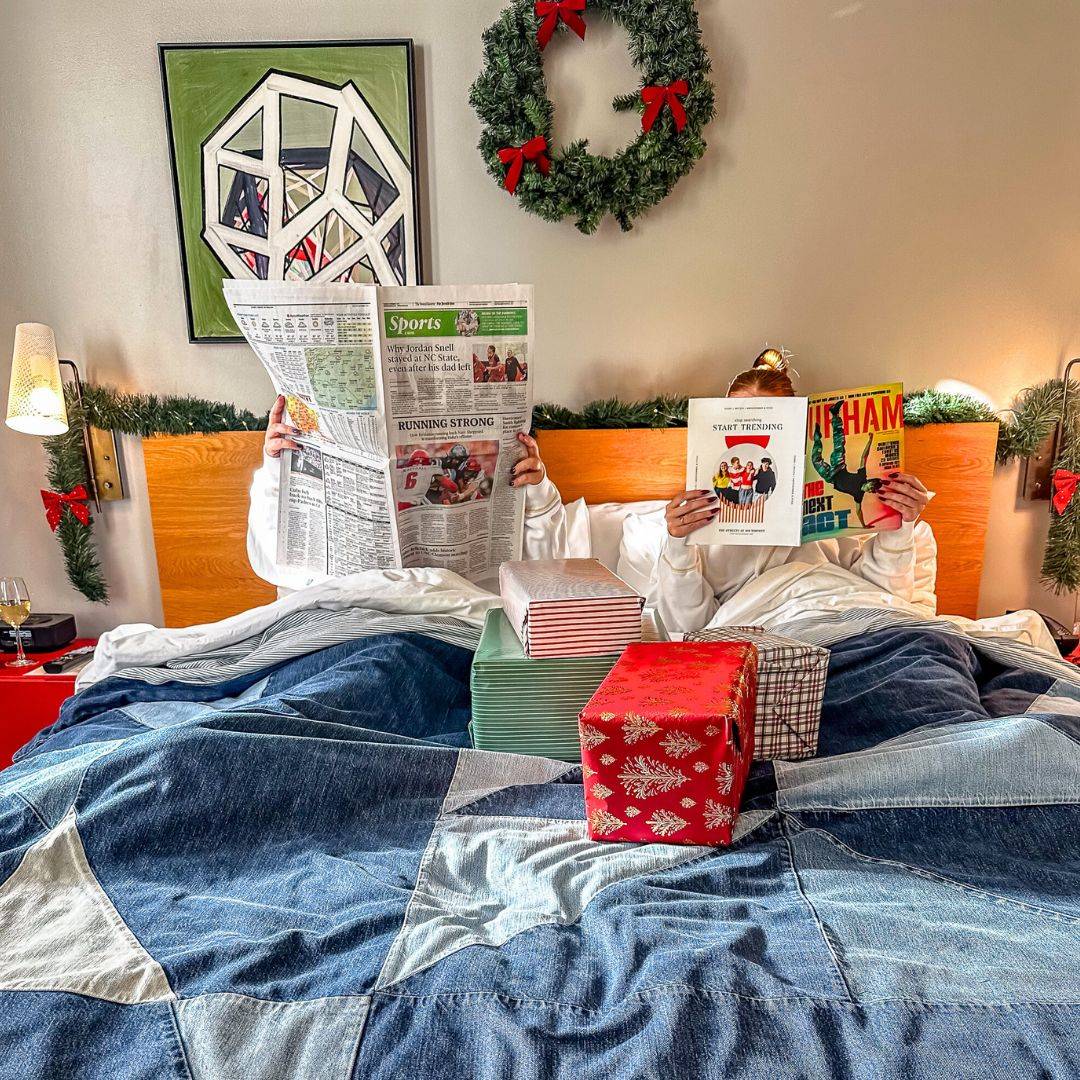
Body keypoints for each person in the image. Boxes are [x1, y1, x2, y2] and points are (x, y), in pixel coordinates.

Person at [659, 351, 931, 634]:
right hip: (774, 629)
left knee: (932, 652)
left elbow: (885, 595)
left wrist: (900, 525)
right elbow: (685, 627)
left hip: (859, 619)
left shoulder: (843, 503)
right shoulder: (696, 518)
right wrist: (678, 545)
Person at [810, 398, 882, 527]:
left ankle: (817, 438)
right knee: (839, 441)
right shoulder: (862, 476)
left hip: (830, 477)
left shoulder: (859, 495)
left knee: (815, 460)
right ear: (869, 481)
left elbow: (859, 511)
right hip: (839, 466)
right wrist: (870, 441)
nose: (869, 489)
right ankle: (835, 413)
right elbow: (863, 458)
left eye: (871, 490)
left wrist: (864, 525)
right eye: (871, 486)